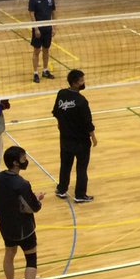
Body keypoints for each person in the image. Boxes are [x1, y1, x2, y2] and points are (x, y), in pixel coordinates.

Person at [0, 145, 44, 279]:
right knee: (31, 258)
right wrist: (38, 199)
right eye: (23, 158)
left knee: (9, 254)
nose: (26, 160)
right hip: (24, 229)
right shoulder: (22, 184)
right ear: (15, 163)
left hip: (6, 226)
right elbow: (33, 207)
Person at [51, 68, 97, 203]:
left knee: (65, 165)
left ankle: (61, 189)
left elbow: (56, 112)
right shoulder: (82, 101)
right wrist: (93, 136)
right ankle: (80, 195)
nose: (84, 83)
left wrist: (60, 124)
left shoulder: (61, 94)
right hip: (81, 141)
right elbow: (87, 122)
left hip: (65, 139)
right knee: (81, 168)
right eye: (82, 81)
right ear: (75, 83)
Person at [28, 0, 57, 84]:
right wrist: (36, 28)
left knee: (46, 50)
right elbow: (31, 14)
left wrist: (54, 27)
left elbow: (53, 12)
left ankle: (45, 70)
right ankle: (35, 73)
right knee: (37, 51)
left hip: (48, 28)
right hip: (38, 29)